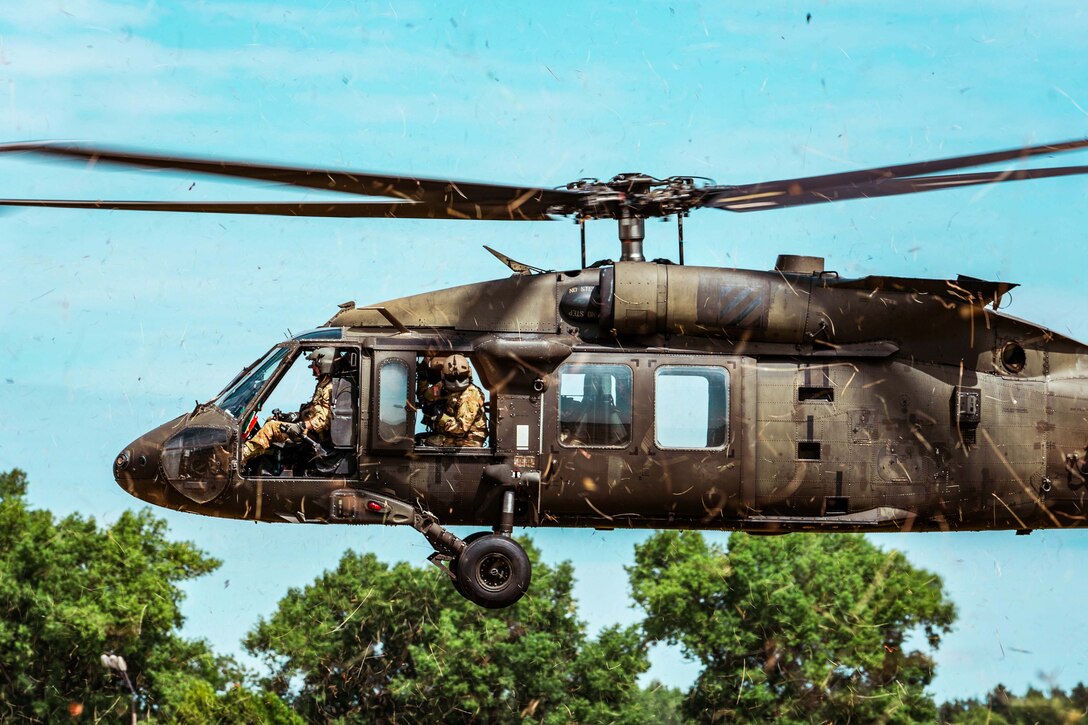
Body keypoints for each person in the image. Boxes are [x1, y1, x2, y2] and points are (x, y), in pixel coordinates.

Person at [242, 347, 334, 464]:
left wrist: (301, 426)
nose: (312, 367)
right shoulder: (323, 385)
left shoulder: (329, 389)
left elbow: (324, 420)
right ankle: (261, 459)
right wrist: (294, 416)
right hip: (308, 430)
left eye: (314, 364)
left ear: (324, 365)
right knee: (273, 420)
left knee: (271, 427)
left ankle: (241, 456)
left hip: (313, 434)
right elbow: (313, 409)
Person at [425, 354, 487, 447]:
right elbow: (427, 396)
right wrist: (423, 376)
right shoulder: (443, 387)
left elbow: (460, 429)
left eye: (461, 377)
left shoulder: (470, 395)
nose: (457, 383)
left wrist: (440, 416)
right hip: (454, 437)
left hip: (468, 442)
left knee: (428, 442)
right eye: (451, 378)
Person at [416, 353, 447, 433]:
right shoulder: (438, 388)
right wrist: (422, 375)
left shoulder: (444, 386)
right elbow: (424, 396)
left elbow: (425, 396)